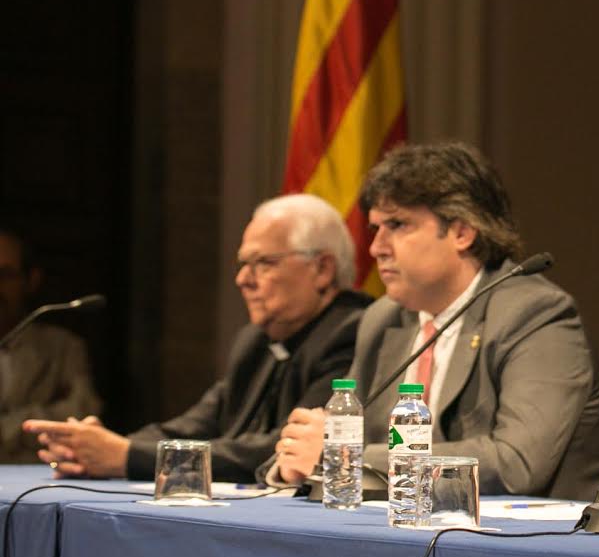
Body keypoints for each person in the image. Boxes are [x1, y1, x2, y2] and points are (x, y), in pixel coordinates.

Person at [267, 141, 599, 500]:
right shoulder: (383, 319)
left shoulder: (535, 314)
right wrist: (299, 459)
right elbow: (337, 436)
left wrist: (347, 457)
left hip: (542, 530)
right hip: (409, 523)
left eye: (397, 225)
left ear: (461, 233)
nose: (376, 248)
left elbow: (516, 464)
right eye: (375, 229)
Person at [25, 194, 369, 482]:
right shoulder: (255, 341)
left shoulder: (354, 333)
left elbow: (285, 448)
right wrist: (101, 446)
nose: (243, 280)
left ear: (322, 269)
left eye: (263, 263)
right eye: (242, 264)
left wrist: (128, 456)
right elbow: (194, 425)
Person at [0, 224, 102, 463]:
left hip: (35, 476)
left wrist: (7, 428)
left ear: (31, 280)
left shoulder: (63, 347)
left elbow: (81, 416)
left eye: (4, 275)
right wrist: (38, 416)